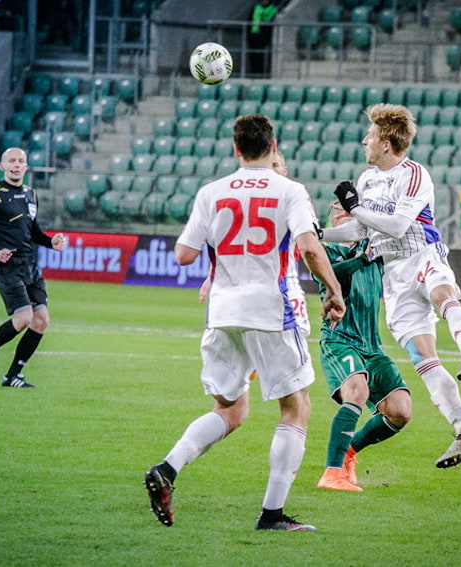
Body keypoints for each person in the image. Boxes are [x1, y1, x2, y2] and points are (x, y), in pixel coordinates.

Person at [144, 114, 345, 531]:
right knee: (296, 407)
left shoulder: (211, 192)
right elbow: (308, 246)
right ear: (273, 146)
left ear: (236, 149)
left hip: (222, 313)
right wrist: (332, 289)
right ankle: (272, 514)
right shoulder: (289, 190)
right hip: (272, 311)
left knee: (230, 410)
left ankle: (168, 467)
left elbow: (183, 253)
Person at [321, 103, 461, 469]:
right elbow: (360, 231)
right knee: (423, 359)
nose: (364, 140)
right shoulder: (365, 180)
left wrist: (355, 207)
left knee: (443, 296)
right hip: (393, 277)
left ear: (385, 143)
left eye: (370, 135)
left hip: (422, 254)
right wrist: (319, 233)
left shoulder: (414, 173)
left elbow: (397, 225)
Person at [316, 202, 411, 492]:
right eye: (336, 208)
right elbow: (335, 275)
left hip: (371, 344)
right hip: (339, 338)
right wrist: (362, 258)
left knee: (400, 410)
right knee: (357, 390)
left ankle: (349, 452)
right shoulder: (322, 248)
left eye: (346, 207)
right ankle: (331, 474)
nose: (340, 209)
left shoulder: (375, 247)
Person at [0, 147, 66, 389]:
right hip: (7, 267)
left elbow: (33, 232)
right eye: (11, 161)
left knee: (41, 320)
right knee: (23, 318)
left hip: (30, 266)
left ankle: (12, 376)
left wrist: (50, 241)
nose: (16, 165)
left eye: (21, 161)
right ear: (2, 166)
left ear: (26, 167)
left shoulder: (31, 194)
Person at [198, 151, 312, 339]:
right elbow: (230, 243)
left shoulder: (295, 198)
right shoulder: (249, 200)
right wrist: (213, 275)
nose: (272, 171)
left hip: (285, 286)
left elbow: (310, 242)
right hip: (247, 291)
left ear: (284, 171)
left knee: (288, 348)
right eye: (269, 166)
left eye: (276, 166)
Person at [248, 0, 277, 77]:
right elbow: (250, 21)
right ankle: (254, 73)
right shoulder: (256, 8)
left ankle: (261, 74)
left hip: (264, 37)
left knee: (261, 57)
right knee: (253, 56)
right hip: (254, 36)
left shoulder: (272, 9)